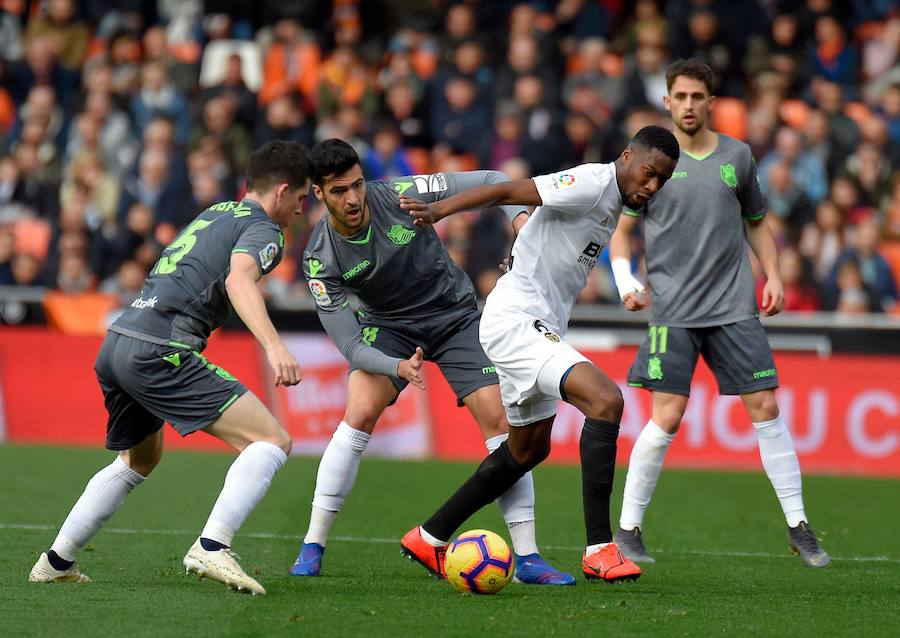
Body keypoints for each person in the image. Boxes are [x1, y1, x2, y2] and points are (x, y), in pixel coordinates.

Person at [28, 141, 313, 594]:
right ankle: (213, 545)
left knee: (139, 459)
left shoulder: (216, 211)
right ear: (281, 192)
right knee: (271, 439)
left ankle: (56, 561)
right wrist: (275, 346)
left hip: (120, 339)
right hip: (161, 348)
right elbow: (240, 279)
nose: (301, 209)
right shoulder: (266, 231)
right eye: (301, 198)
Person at [399, 125, 679, 583]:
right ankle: (600, 549)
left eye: (660, 181)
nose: (650, 187)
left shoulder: (614, 202)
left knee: (527, 450)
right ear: (627, 156)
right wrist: (440, 211)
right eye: (648, 173)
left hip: (533, 323)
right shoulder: (593, 182)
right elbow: (509, 188)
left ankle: (429, 537)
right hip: (516, 321)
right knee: (606, 400)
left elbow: (542, 225)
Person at [291, 139, 574, 585]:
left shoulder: (402, 193)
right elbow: (348, 345)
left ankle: (529, 559)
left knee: (502, 420)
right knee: (360, 411)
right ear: (319, 194)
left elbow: (492, 180)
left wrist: (519, 219)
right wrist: (395, 368)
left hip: (456, 317)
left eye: (358, 185)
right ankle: (313, 544)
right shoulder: (319, 258)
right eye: (340, 190)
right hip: (388, 329)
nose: (353, 199)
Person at [609, 59, 830, 568]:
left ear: (711, 102)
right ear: (667, 102)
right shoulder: (650, 161)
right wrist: (626, 281)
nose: (688, 105)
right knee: (666, 416)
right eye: (679, 96)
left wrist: (772, 274)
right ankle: (628, 529)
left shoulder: (739, 156)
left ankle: (799, 526)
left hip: (733, 306)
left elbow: (757, 222)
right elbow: (622, 230)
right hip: (673, 311)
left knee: (767, 409)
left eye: (697, 96)